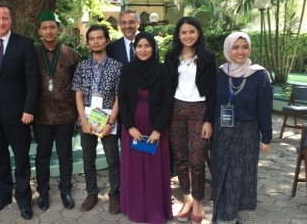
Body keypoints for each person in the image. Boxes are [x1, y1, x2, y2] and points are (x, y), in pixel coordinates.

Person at [0, 1, 40, 220]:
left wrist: (29, 108)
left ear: (11, 20)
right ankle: (3, 196)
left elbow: (33, 80)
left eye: (5, 18)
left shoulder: (24, 44)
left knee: (21, 158)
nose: (1, 22)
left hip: (19, 114)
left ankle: (23, 199)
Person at [211, 32, 272, 223]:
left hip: (248, 133)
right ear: (228, 49)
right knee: (224, 174)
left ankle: (243, 217)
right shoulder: (220, 73)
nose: (240, 51)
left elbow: (264, 108)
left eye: (245, 47)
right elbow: (212, 103)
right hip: (222, 132)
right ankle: (224, 216)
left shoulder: (260, 75)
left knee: (244, 176)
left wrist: (266, 137)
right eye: (235, 47)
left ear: (250, 49)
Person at [164, 16, 216, 223]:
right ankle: (186, 198)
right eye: (184, 32)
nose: (188, 36)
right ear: (179, 35)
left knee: (197, 159)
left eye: (192, 31)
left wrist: (209, 120)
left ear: (198, 33)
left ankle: (197, 202)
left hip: (199, 110)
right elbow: (167, 87)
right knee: (181, 158)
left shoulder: (208, 57)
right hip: (176, 109)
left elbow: (213, 91)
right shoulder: (171, 56)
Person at [118, 32, 174, 223]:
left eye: (147, 46)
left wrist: (158, 129)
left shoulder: (162, 70)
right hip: (133, 127)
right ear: (135, 48)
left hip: (155, 126)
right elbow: (123, 99)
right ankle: (135, 207)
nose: (143, 50)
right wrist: (130, 127)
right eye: (139, 46)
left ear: (153, 47)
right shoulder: (127, 70)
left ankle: (154, 209)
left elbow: (168, 101)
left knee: (153, 168)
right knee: (133, 169)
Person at [72, 24, 122, 214]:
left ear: (107, 41)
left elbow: (119, 97)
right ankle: (92, 193)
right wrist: (83, 121)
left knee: (112, 160)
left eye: (99, 38)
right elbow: (78, 95)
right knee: (88, 159)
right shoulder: (82, 66)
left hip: (109, 119)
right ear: (88, 43)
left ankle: (114, 196)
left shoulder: (118, 67)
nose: (95, 41)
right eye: (91, 38)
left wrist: (110, 123)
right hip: (87, 120)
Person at [33, 10, 79, 211]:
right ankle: (43, 192)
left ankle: (65, 189)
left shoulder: (71, 54)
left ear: (58, 29)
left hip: (65, 114)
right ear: (39, 31)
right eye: (45, 28)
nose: (49, 31)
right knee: (42, 155)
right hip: (41, 115)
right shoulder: (33, 54)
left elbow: (79, 85)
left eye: (52, 27)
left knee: (65, 154)